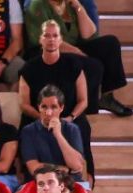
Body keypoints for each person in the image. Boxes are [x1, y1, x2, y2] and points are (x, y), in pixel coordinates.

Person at [19, 22, 100, 177]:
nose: (51, 39)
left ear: (61, 39)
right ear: (40, 39)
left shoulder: (74, 65)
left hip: (69, 116)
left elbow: (83, 100)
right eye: (47, 36)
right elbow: (24, 104)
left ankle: (86, 177)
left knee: (82, 127)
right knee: (25, 129)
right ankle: (29, 174)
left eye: (55, 35)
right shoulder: (29, 68)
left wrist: (69, 118)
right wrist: (44, 117)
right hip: (38, 115)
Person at [26, 0, 131, 118]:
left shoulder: (69, 5)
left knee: (110, 43)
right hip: (48, 52)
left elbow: (89, 34)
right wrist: (77, 52)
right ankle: (86, 111)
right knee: (93, 65)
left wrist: (78, 7)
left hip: (73, 48)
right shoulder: (38, 5)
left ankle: (106, 97)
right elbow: (46, 40)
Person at [19, 85, 87, 179]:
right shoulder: (28, 131)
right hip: (41, 182)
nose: (48, 113)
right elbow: (34, 168)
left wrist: (58, 135)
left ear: (61, 108)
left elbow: (77, 166)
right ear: (38, 107)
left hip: (70, 182)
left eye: (53, 107)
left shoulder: (72, 129)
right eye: (44, 107)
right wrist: (63, 169)